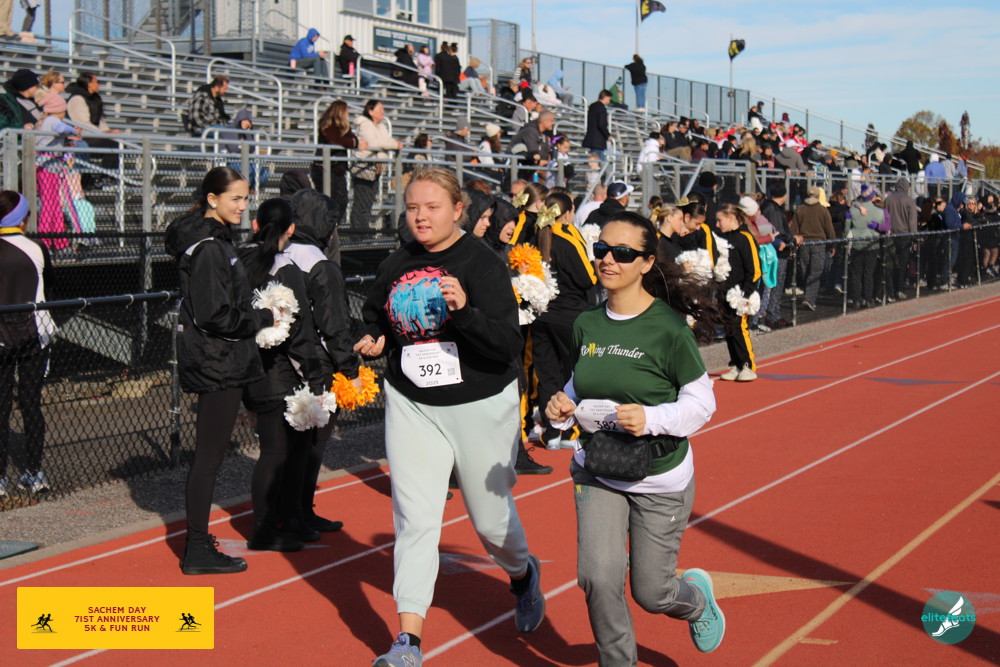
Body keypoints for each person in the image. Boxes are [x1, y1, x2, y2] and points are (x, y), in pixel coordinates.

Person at [357, 168, 545, 667]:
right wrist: (374, 337)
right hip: (413, 403)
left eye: (432, 207)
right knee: (415, 518)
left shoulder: (481, 263)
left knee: (490, 522)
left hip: (479, 402)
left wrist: (464, 312)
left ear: (458, 210)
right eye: (412, 208)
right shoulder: (398, 261)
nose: (420, 217)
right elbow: (375, 315)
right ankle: (408, 643)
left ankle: (523, 574)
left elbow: (506, 344)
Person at [544, 210, 726, 665]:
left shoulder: (668, 329)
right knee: (598, 579)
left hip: (659, 478)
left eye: (623, 253)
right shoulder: (586, 323)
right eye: (601, 249)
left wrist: (651, 418)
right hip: (598, 469)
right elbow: (581, 383)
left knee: (652, 592)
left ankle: (696, 602)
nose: (608, 259)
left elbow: (702, 403)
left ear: (646, 263)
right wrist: (562, 407)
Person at [164, 166, 278, 575]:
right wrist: (263, 318)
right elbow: (215, 315)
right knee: (209, 458)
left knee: (210, 456)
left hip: (223, 358)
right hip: (217, 360)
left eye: (246, 198)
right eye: (236, 198)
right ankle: (196, 547)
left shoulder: (217, 241)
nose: (244, 206)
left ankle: (198, 543)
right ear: (212, 199)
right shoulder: (210, 247)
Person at [238, 198, 328, 552]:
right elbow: (300, 328)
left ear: (255, 225)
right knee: (280, 451)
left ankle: (289, 518)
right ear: (291, 229)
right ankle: (265, 529)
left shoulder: (236, 260)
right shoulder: (285, 268)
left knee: (282, 449)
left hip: (248, 366)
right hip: (281, 371)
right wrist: (314, 375)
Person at [0, 191, 57, 496]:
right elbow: (54, 286)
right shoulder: (37, 248)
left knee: (1, 407)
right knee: (31, 403)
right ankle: (34, 473)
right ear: (22, 219)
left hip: (1, 336)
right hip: (35, 333)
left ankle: (0, 479)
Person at [531, 192, 596, 449]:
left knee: (548, 375)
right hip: (570, 316)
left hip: (541, 316)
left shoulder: (537, 236)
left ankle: (551, 432)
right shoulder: (568, 239)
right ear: (567, 214)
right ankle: (569, 431)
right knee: (572, 375)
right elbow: (588, 278)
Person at [715, 204, 761, 381]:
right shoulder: (723, 238)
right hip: (725, 292)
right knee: (729, 329)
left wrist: (746, 293)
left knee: (739, 328)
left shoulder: (744, 238)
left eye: (720, 220)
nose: (717, 224)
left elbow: (754, 269)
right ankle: (736, 364)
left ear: (731, 218)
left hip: (741, 294)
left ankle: (747, 365)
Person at [34, 91, 81, 252]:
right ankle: (46, 243)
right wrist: (73, 130)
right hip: (48, 167)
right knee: (50, 207)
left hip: (50, 166)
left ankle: (58, 242)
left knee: (53, 206)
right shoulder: (53, 120)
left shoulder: (46, 120)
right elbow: (61, 129)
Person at [350, 99, 403, 233]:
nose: (383, 112)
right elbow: (373, 143)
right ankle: (357, 232)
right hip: (364, 167)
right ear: (370, 111)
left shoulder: (381, 126)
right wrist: (394, 145)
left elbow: (386, 141)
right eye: (380, 110)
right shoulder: (365, 125)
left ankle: (363, 230)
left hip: (376, 168)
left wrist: (391, 144)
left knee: (369, 201)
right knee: (362, 202)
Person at [312, 99, 367, 223]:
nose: (348, 114)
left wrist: (355, 141)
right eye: (346, 111)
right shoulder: (327, 124)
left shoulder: (344, 126)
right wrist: (355, 143)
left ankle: (333, 225)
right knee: (327, 200)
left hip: (338, 169)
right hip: (324, 168)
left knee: (341, 200)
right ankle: (325, 226)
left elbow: (351, 138)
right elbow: (334, 141)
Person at [791, 186, 836, 311]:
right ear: (818, 196)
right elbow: (829, 229)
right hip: (818, 244)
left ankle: (808, 295)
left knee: (806, 271)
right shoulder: (823, 210)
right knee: (816, 272)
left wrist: (794, 240)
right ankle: (809, 299)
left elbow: (793, 228)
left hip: (804, 244)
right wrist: (832, 245)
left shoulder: (800, 209)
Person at [845, 185, 884, 309]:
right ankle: (868, 299)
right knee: (869, 274)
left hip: (857, 244)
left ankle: (856, 300)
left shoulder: (852, 211)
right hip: (872, 244)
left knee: (856, 274)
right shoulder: (879, 212)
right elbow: (883, 227)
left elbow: (847, 227)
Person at [884, 177, 919, 300]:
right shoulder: (909, 201)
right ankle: (899, 289)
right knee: (902, 264)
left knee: (890, 264)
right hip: (904, 236)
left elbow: (884, 217)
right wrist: (914, 237)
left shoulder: (888, 200)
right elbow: (912, 221)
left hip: (890, 235)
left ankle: (889, 289)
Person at [221, 108, 269, 193]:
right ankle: (244, 190)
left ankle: (252, 189)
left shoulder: (248, 133)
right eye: (245, 121)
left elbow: (252, 148)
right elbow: (234, 148)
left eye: (249, 121)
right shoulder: (229, 130)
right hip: (232, 160)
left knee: (263, 172)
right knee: (247, 169)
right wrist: (244, 149)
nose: (247, 123)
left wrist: (248, 133)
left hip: (247, 159)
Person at [582, 90, 611, 162]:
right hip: (598, 141)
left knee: (594, 161)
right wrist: (607, 135)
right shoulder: (602, 108)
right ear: (606, 97)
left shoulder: (592, 106)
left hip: (591, 139)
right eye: (609, 99)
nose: (609, 101)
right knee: (600, 163)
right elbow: (601, 124)